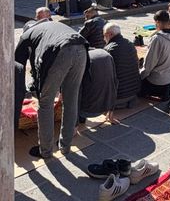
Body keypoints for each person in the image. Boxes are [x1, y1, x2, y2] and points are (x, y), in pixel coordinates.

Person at [15, 8, 89, 158]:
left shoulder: (26, 36)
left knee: (45, 104)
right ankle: (65, 146)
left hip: (60, 52)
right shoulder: (49, 26)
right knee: (70, 100)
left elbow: (17, 68)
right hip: (82, 48)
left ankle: (46, 150)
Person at [139, 10, 170, 101]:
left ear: (158, 22)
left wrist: (140, 76)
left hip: (157, 81)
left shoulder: (158, 39)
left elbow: (149, 64)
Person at [102, 22, 141, 109]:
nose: (104, 38)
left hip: (118, 95)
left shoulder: (109, 49)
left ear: (110, 34)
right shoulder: (130, 44)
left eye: (104, 35)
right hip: (134, 91)